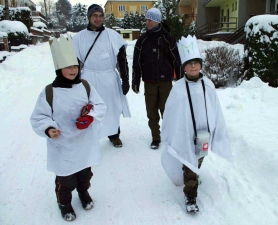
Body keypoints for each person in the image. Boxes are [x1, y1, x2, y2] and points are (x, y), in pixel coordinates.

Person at [30, 35, 106, 221]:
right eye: (68, 66)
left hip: (84, 143)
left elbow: (100, 105)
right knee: (65, 180)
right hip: (62, 145)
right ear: (59, 68)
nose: (73, 70)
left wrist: (90, 117)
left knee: (85, 174)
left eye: (75, 66)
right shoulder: (49, 92)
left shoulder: (85, 86)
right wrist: (49, 129)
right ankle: (64, 203)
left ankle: (83, 192)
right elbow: (39, 117)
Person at [161, 35, 232, 213]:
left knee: (198, 160)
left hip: (203, 135)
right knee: (190, 163)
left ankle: (190, 175)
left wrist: (215, 128)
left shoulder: (208, 85)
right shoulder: (178, 88)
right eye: (189, 63)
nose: (193, 66)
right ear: (184, 66)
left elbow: (214, 108)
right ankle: (190, 195)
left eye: (196, 63)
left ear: (200, 65)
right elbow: (171, 112)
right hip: (185, 134)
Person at [73, 4, 131, 148]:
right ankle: (90, 137)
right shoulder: (79, 38)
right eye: (95, 16)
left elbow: (122, 61)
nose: (98, 19)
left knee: (112, 108)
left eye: (100, 16)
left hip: (109, 79)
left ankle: (114, 135)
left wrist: (125, 80)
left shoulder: (112, 35)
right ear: (89, 17)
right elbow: (75, 63)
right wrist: (74, 83)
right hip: (89, 79)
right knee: (90, 109)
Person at [132, 8, 182, 150]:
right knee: (152, 112)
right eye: (146, 19)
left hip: (166, 82)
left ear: (157, 21)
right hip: (149, 83)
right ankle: (156, 137)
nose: (147, 22)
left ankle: (170, 136)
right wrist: (135, 81)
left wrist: (181, 80)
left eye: (150, 19)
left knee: (167, 111)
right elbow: (136, 63)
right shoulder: (142, 41)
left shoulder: (168, 38)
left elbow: (177, 60)